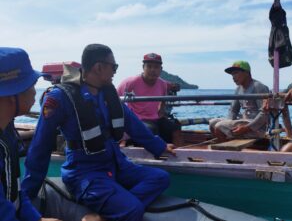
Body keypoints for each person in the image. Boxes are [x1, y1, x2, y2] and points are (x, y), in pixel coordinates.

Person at [22, 44, 175, 221]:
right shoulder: (60, 98)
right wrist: (28, 194)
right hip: (85, 173)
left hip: (115, 163)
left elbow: (134, 124)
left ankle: (103, 214)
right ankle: (120, 207)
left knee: (161, 178)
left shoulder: (108, 94)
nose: (115, 71)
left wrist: (160, 146)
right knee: (133, 209)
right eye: (114, 66)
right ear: (99, 67)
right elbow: (40, 146)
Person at [0, 47, 60, 221]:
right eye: (31, 85)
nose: (36, 92)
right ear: (12, 94)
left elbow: (15, 191)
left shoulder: (8, 132)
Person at [117, 53, 182, 146]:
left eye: (156, 67)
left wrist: (161, 113)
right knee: (152, 129)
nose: (152, 70)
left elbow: (163, 100)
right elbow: (115, 98)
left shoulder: (162, 83)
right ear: (143, 67)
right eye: (149, 66)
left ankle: (179, 154)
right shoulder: (130, 82)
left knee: (175, 126)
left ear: (161, 70)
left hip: (154, 118)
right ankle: (155, 156)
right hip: (137, 119)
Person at [209, 61, 270, 142]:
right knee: (212, 123)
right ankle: (227, 145)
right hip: (244, 122)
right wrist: (229, 123)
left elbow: (265, 113)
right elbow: (233, 110)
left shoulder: (258, 87)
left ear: (247, 73)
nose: (233, 77)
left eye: (236, 73)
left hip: (258, 128)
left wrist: (247, 128)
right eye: (232, 74)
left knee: (219, 126)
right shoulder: (238, 89)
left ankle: (227, 150)